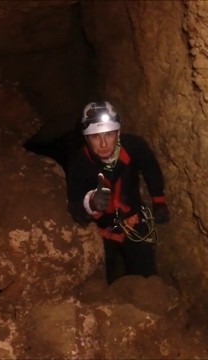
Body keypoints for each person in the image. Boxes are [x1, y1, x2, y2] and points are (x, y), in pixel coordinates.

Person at [66, 100, 170, 284]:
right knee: (99, 284)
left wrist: (159, 200)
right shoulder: (79, 164)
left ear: (118, 133)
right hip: (99, 231)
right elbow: (74, 203)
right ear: (86, 139)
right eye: (96, 137)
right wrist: (90, 203)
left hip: (132, 222)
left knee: (147, 282)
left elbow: (150, 168)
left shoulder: (134, 147)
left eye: (109, 134)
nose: (104, 143)